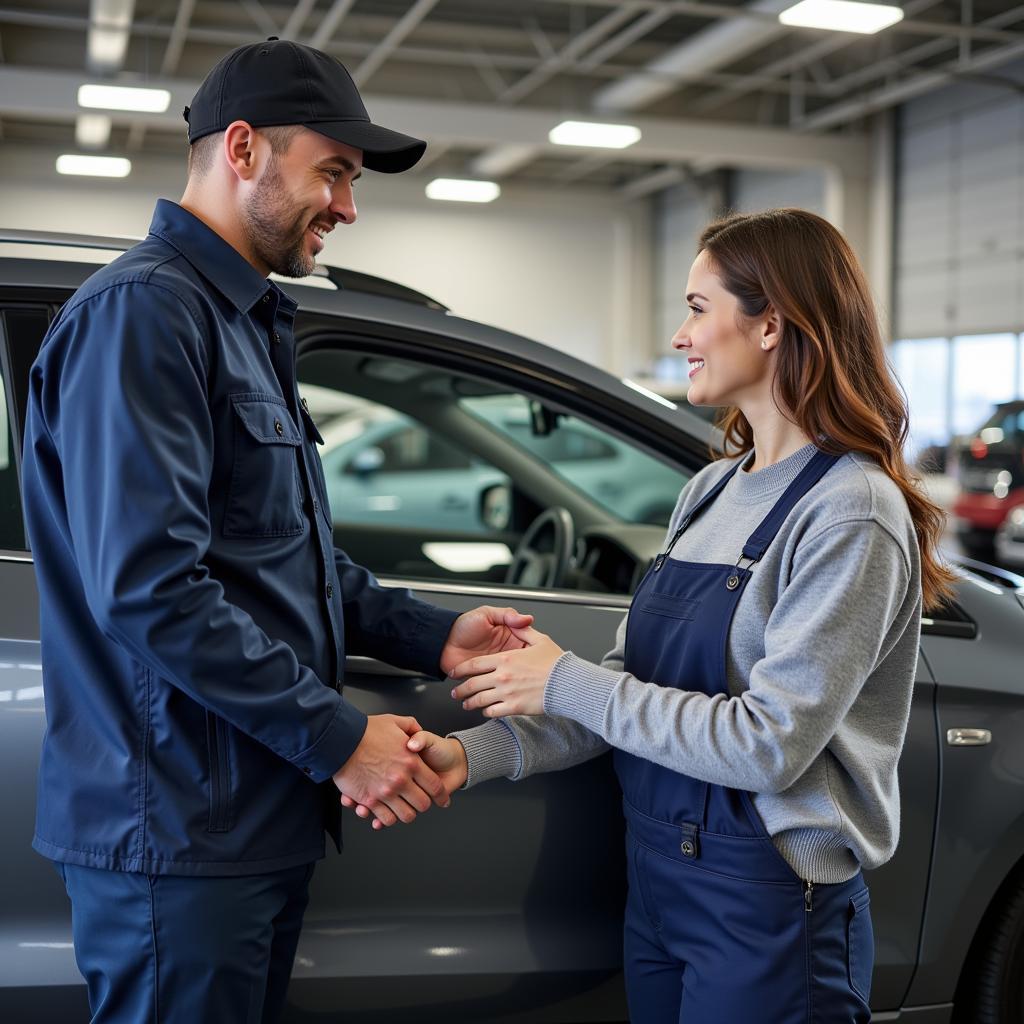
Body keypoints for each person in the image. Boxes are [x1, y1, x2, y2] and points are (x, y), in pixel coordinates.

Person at [21, 38, 533, 1024]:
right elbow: (150, 587)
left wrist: (433, 634)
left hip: (245, 820)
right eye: (334, 171)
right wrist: (339, 737)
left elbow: (282, 561)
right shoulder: (145, 317)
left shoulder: (244, 320)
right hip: (176, 830)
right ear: (244, 148)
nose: (347, 205)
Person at [348, 209, 958, 1022]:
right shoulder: (710, 490)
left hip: (766, 902)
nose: (680, 335)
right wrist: (472, 755)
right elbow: (625, 696)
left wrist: (562, 681)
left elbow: (770, 744)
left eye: (698, 308)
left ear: (771, 323)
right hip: (662, 882)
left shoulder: (851, 513)